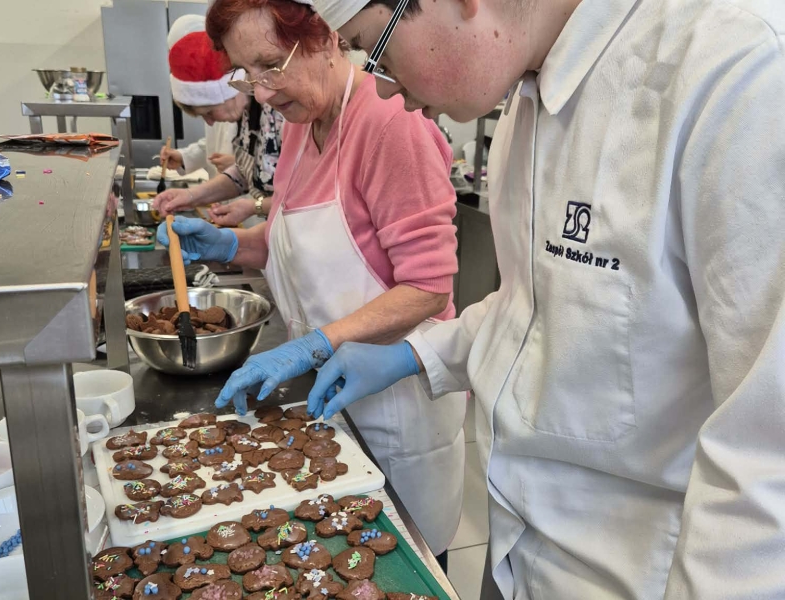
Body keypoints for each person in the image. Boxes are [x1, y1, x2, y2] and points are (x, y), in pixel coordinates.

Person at [306, 0, 785, 598]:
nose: (383, 88)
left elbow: (767, 457)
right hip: (514, 547)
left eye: (372, 49)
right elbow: (540, 308)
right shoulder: (524, 98)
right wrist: (414, 354)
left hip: (639, 577)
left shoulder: (738, 70)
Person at [158, 0, 467, 565]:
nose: (261, 93)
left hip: (397, 416)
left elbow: (428, 287)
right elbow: (295, 239)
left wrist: (317, 343)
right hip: (331, 411)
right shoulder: (302, 123)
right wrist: (231, 244)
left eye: (270, 65)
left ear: (326, 35)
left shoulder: (391, 122)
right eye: (245, 74)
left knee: (399, 567)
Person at [153, 15, 285, 227]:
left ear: (227, 92)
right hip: (270, 231)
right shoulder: (246, 111)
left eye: (210, 112)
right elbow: (244, 174)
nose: (210, 123)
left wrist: (254, 207)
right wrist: (190, 196)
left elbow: (303, 194)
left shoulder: (279, 109)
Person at [161, 15, 237, 180]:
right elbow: (213, 143)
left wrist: (240, 166)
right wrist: (185, 157)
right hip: (224, 188)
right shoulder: (215, 99)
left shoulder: (240, 95)